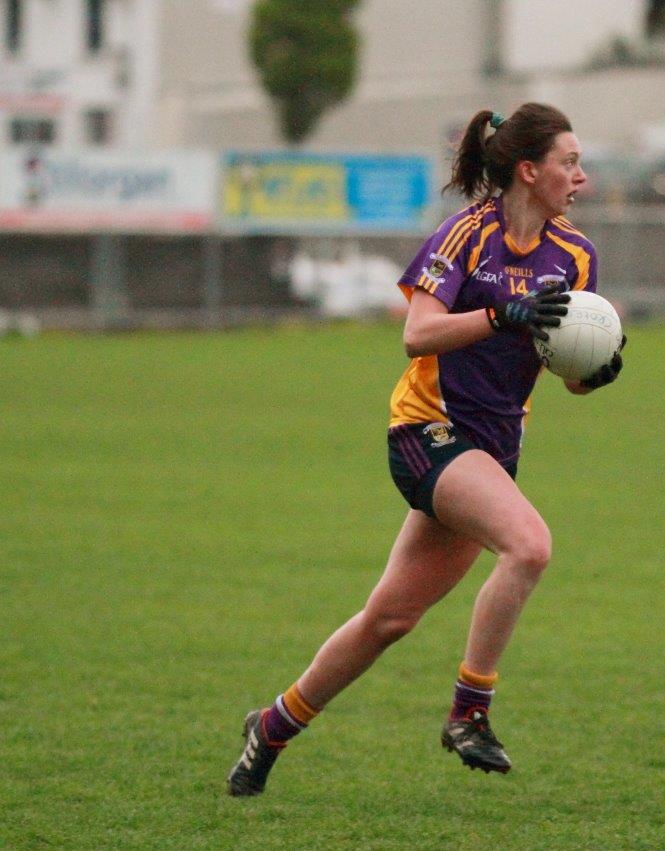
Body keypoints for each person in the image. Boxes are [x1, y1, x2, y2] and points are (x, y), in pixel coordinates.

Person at [228, 103, 625, 795]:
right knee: (529, 545)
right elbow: (417, 333)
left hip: (492, 451)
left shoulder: (576, 255)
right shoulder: (468, 235)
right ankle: (469, 709)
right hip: (426, 432)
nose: (581, 177)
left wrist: (593, 371)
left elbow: (567, 374)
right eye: (569, 162)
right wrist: (500, 313)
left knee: (389, 618)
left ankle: (272, 725)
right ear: (529, 171)